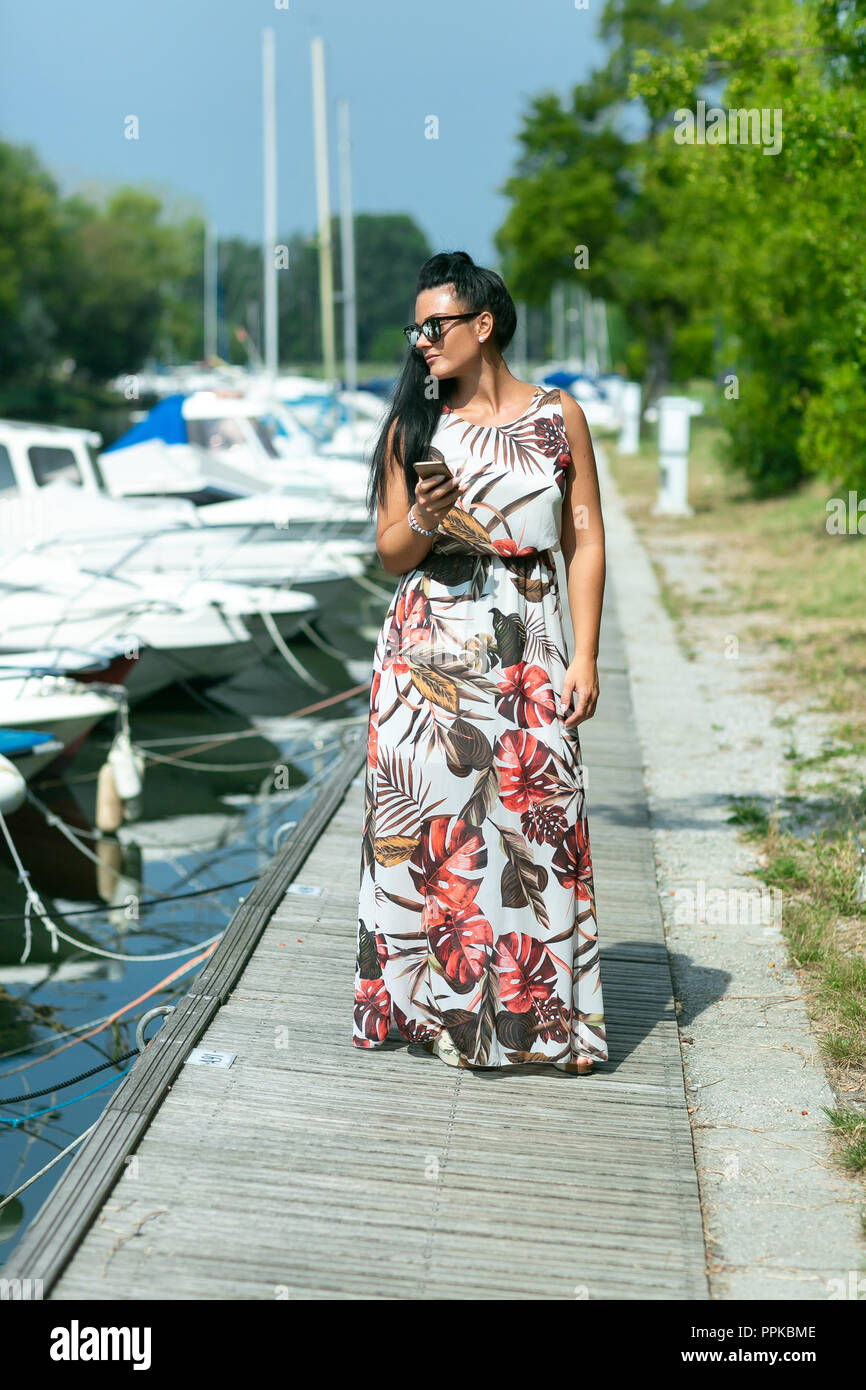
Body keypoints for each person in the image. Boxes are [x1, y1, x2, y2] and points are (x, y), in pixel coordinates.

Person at [352, 250, 607, 1073]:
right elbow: (393, 553)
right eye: (416, 328)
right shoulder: (415, 426)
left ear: (483, 324)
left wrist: (586, 656)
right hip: (428, 655)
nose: (422, 341)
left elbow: (586, 536)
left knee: (539, 821)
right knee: (438, 832)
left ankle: (538, 1022)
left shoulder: (557, 415)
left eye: (437, 325)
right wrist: (425, 517)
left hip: (531, 641)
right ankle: (439, 1018)